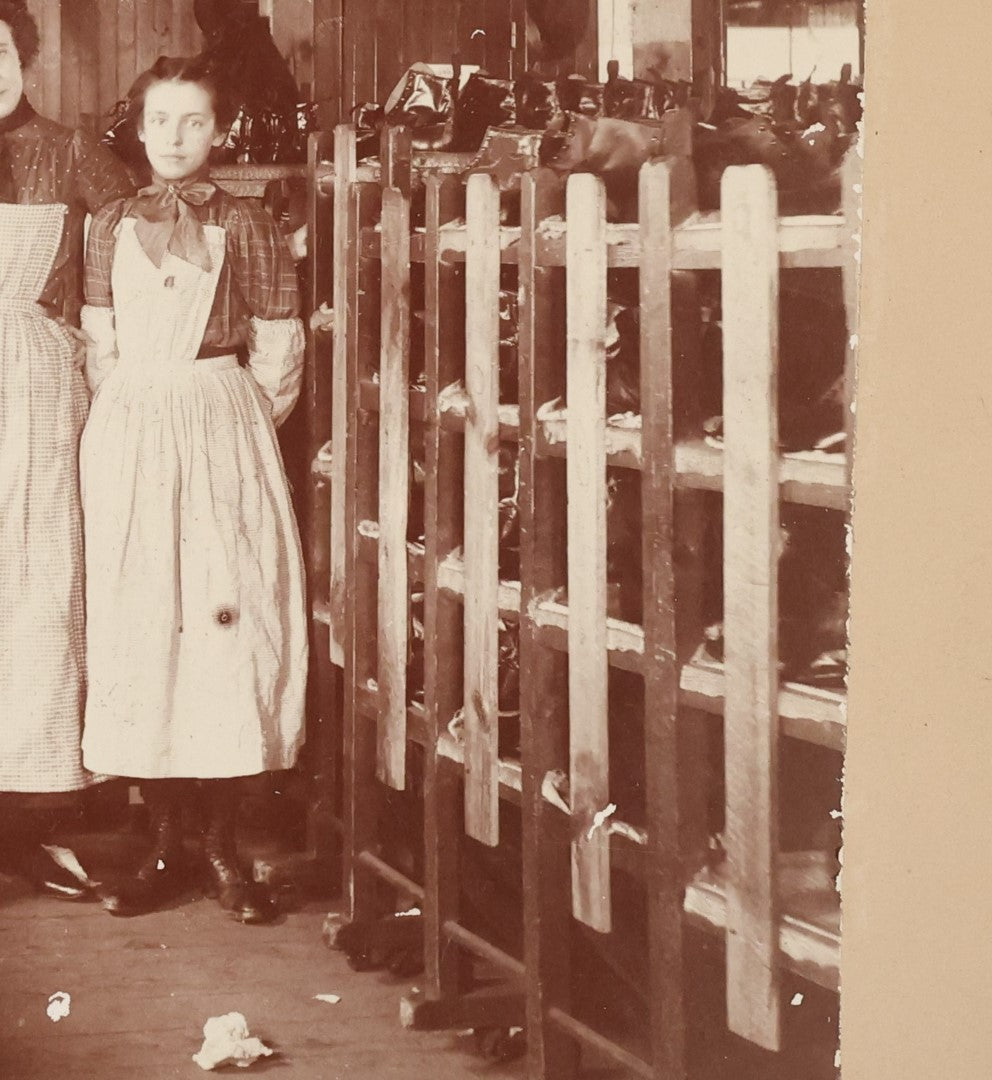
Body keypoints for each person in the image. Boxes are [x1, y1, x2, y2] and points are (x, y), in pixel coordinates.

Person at [79, 55, 308, 925]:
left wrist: (238, 420)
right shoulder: (105, 223)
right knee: (145, 626)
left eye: (194, 123)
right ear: (139, 130)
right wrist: (129, 420)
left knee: (224, 624)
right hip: (133, 427)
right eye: (161, 122)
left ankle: (222, 847)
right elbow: (98, 338)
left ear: (220, 133)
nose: (175, 139)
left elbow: (280, 343)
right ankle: (165, 840)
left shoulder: (243, 221)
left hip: (219, 424)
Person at [0, 0, 136, 899]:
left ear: (25, 55)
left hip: (35, 390)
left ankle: (25, 824)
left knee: (37, 595)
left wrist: (88, 316)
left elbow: (141, 226)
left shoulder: (71, 149)